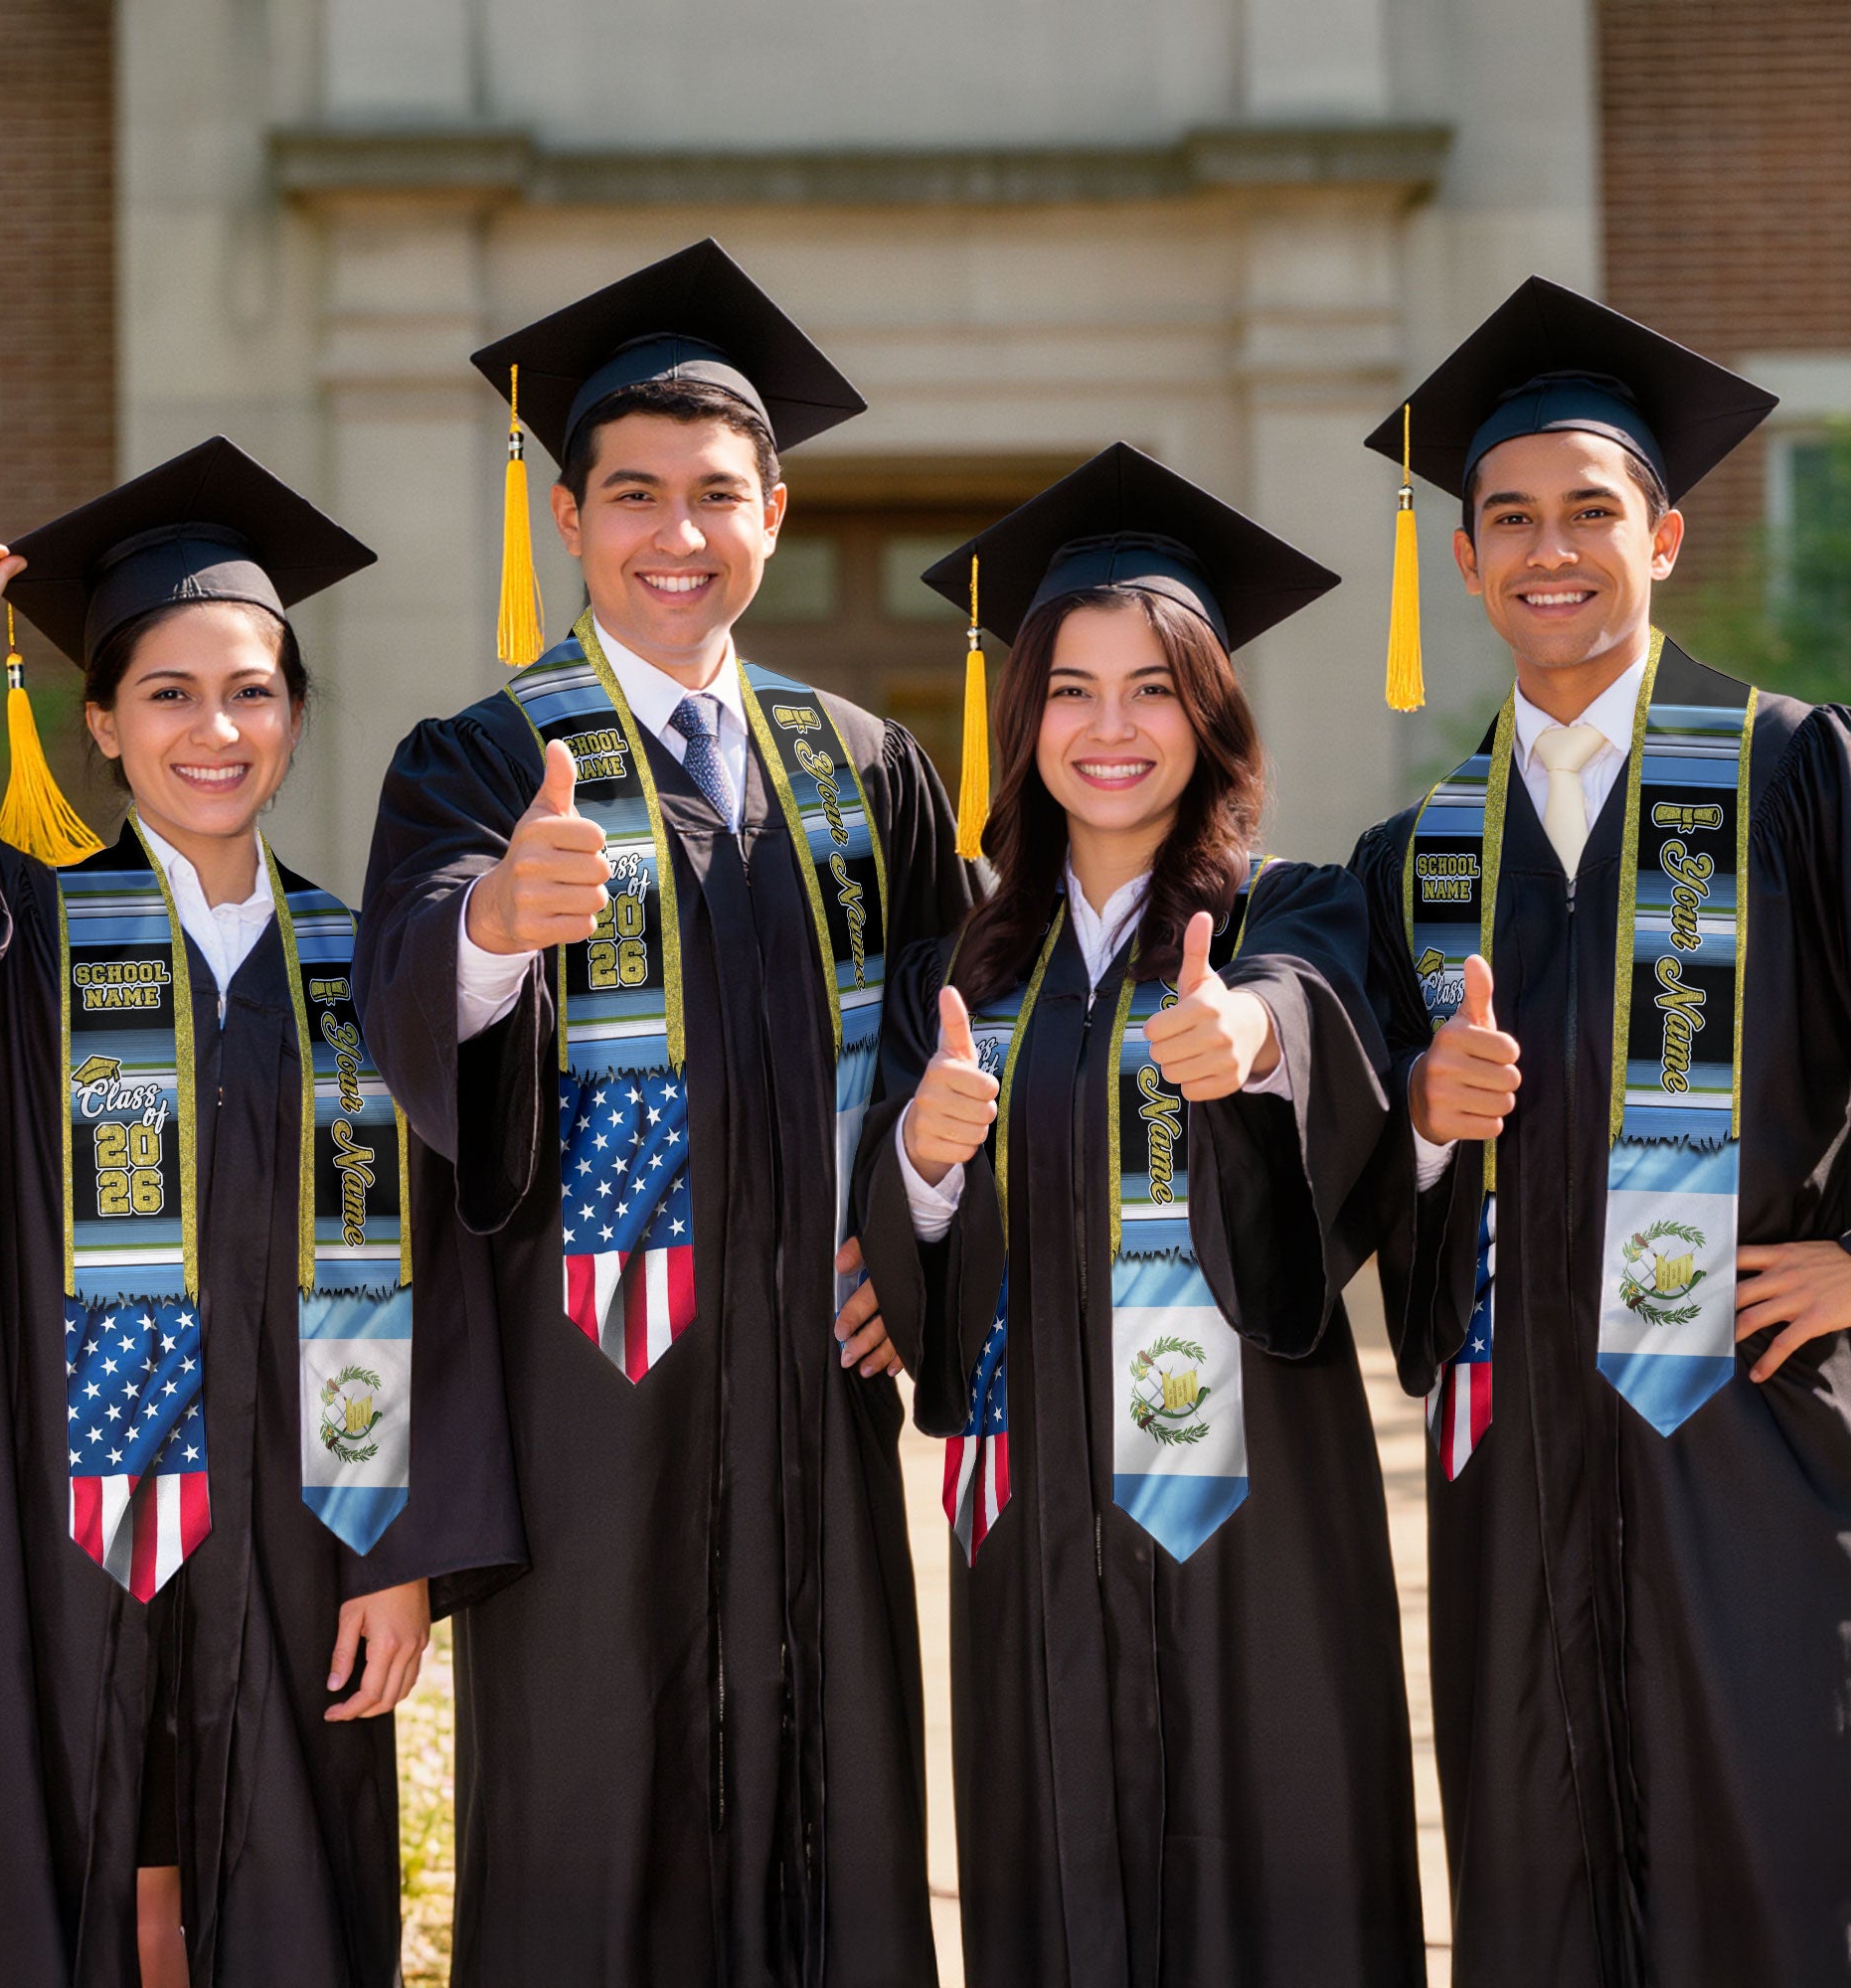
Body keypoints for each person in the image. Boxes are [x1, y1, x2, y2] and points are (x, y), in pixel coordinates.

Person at [355, 240, 977, 1987]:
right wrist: (490, 925)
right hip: (590, 1407)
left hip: (814, 1393)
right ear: (568, 518)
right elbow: (403, 1002)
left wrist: (916, 1240)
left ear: (775, 512)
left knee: (834, 1813)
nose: (676, 534)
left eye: (718, 495)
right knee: (593, 1829)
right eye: (634, 495)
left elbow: (968, 1037)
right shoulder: (480, 760)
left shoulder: (864, 764)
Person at [0, 437, 523, 1988]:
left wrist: (406, 1551)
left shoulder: (373, 970)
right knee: (61, 1858)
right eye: (166, 692)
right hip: (53, 1525)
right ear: (100, 721)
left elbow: (449, 1273)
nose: (213, 729)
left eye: (252, 690)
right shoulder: (13, 944)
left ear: (294, 715)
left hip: (306, 1532)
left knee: (283, 1886)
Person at [855, 443, 1425, 1987]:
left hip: (1258, 1516)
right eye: (1072, 690)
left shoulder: (1292, 911)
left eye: (1155, 688)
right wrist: (918, 1153)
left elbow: (1315, 1021)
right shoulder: (957, 974)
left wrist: (1249, 1044)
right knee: (1059, 1873)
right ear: (1022, 716)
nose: (1112, 729)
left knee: (1280, 1873)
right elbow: (908, 1248)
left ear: (1212, 713)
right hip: (1036, 1513)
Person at [1352, 277, 1851, 1987]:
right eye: (1508, 519)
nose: (1547, 549)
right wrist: (1419, 1121)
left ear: (1666, 535)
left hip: (1749, 1438)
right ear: (1470, 558)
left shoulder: (1791, 774)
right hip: (1514, 1459)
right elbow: (1351, 1169)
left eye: (1589, 512)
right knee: (1534, 1868)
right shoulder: (1415, 854)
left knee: (1769, 1857)